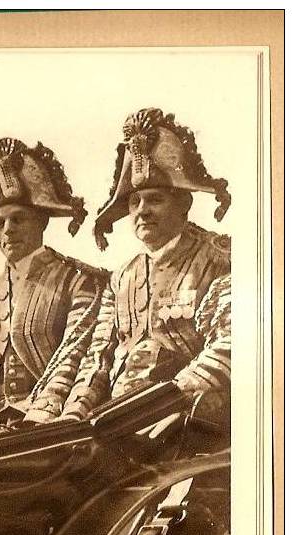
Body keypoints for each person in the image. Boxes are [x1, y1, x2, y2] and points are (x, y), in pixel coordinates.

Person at [57, 107, 232, 423]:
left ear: (183, 205)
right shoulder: (122, 276)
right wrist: (74, 414)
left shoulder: (219, 258)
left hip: (189, 416)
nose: (142, 211)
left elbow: (231, 343)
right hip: (119, 418)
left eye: (155, 199)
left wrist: (172, 395)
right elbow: (99, 357)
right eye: (135, 202)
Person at [0, 137, 106, 439]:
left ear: (41, 222)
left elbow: (73, 359)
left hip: (48, 422)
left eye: (18, 219)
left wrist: (40, 421)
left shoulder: (78, 282)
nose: (7, 229)